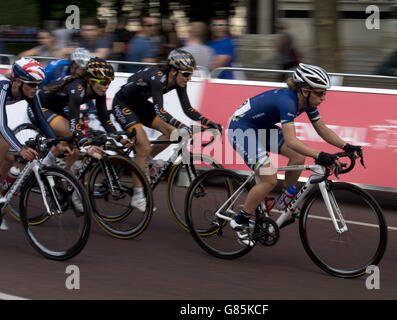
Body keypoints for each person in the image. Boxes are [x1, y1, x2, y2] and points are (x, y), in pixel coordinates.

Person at [227, 63, 362, 246]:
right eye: (320, 93)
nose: (323, 98)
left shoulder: (306, 102)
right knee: (269, 179)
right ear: (304, 90)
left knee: (298, 157)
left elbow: (321, 128)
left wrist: (347, 146)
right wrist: (320, 154)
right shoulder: (287, 101)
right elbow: (291, 141)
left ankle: (286, 201)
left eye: (324, 93)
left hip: (262, 128)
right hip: (242, 128)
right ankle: (240, 221)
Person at [111, 49, 222, 209]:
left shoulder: (178, 80)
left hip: (140, 104)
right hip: (123, 104)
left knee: (173, 133)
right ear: (173, 70)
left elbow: (188, 109)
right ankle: (137, 196)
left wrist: (209, 123)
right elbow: (160, 110)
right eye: (185, 74)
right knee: (143, 145)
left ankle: (145, 162)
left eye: (190, 74)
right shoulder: (158, 77)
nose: (189, 78)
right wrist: (181, 125)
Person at [26, 57, 128, 177]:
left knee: (74, 148)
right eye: (103, 82)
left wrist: (120, 138)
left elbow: (104, 118)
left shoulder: (99, 90)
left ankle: (67, 178)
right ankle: (41, 170)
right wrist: (87, 145)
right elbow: (74, 125)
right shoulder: (77, 88)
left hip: (55, 108)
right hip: (38, 107)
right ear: (90, 80)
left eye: (109, 83)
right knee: (70, 133)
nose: (106, 87)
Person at [0, 58, 71, 195]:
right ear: (19, 81)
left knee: (8, 159)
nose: (36, 88)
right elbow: (2, 125)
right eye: (32, 84)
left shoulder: (29, 92)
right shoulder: (3, 87)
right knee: (3, 145)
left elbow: (42, 121)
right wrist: (21, 149)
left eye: (38, 84)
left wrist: (56, 143)